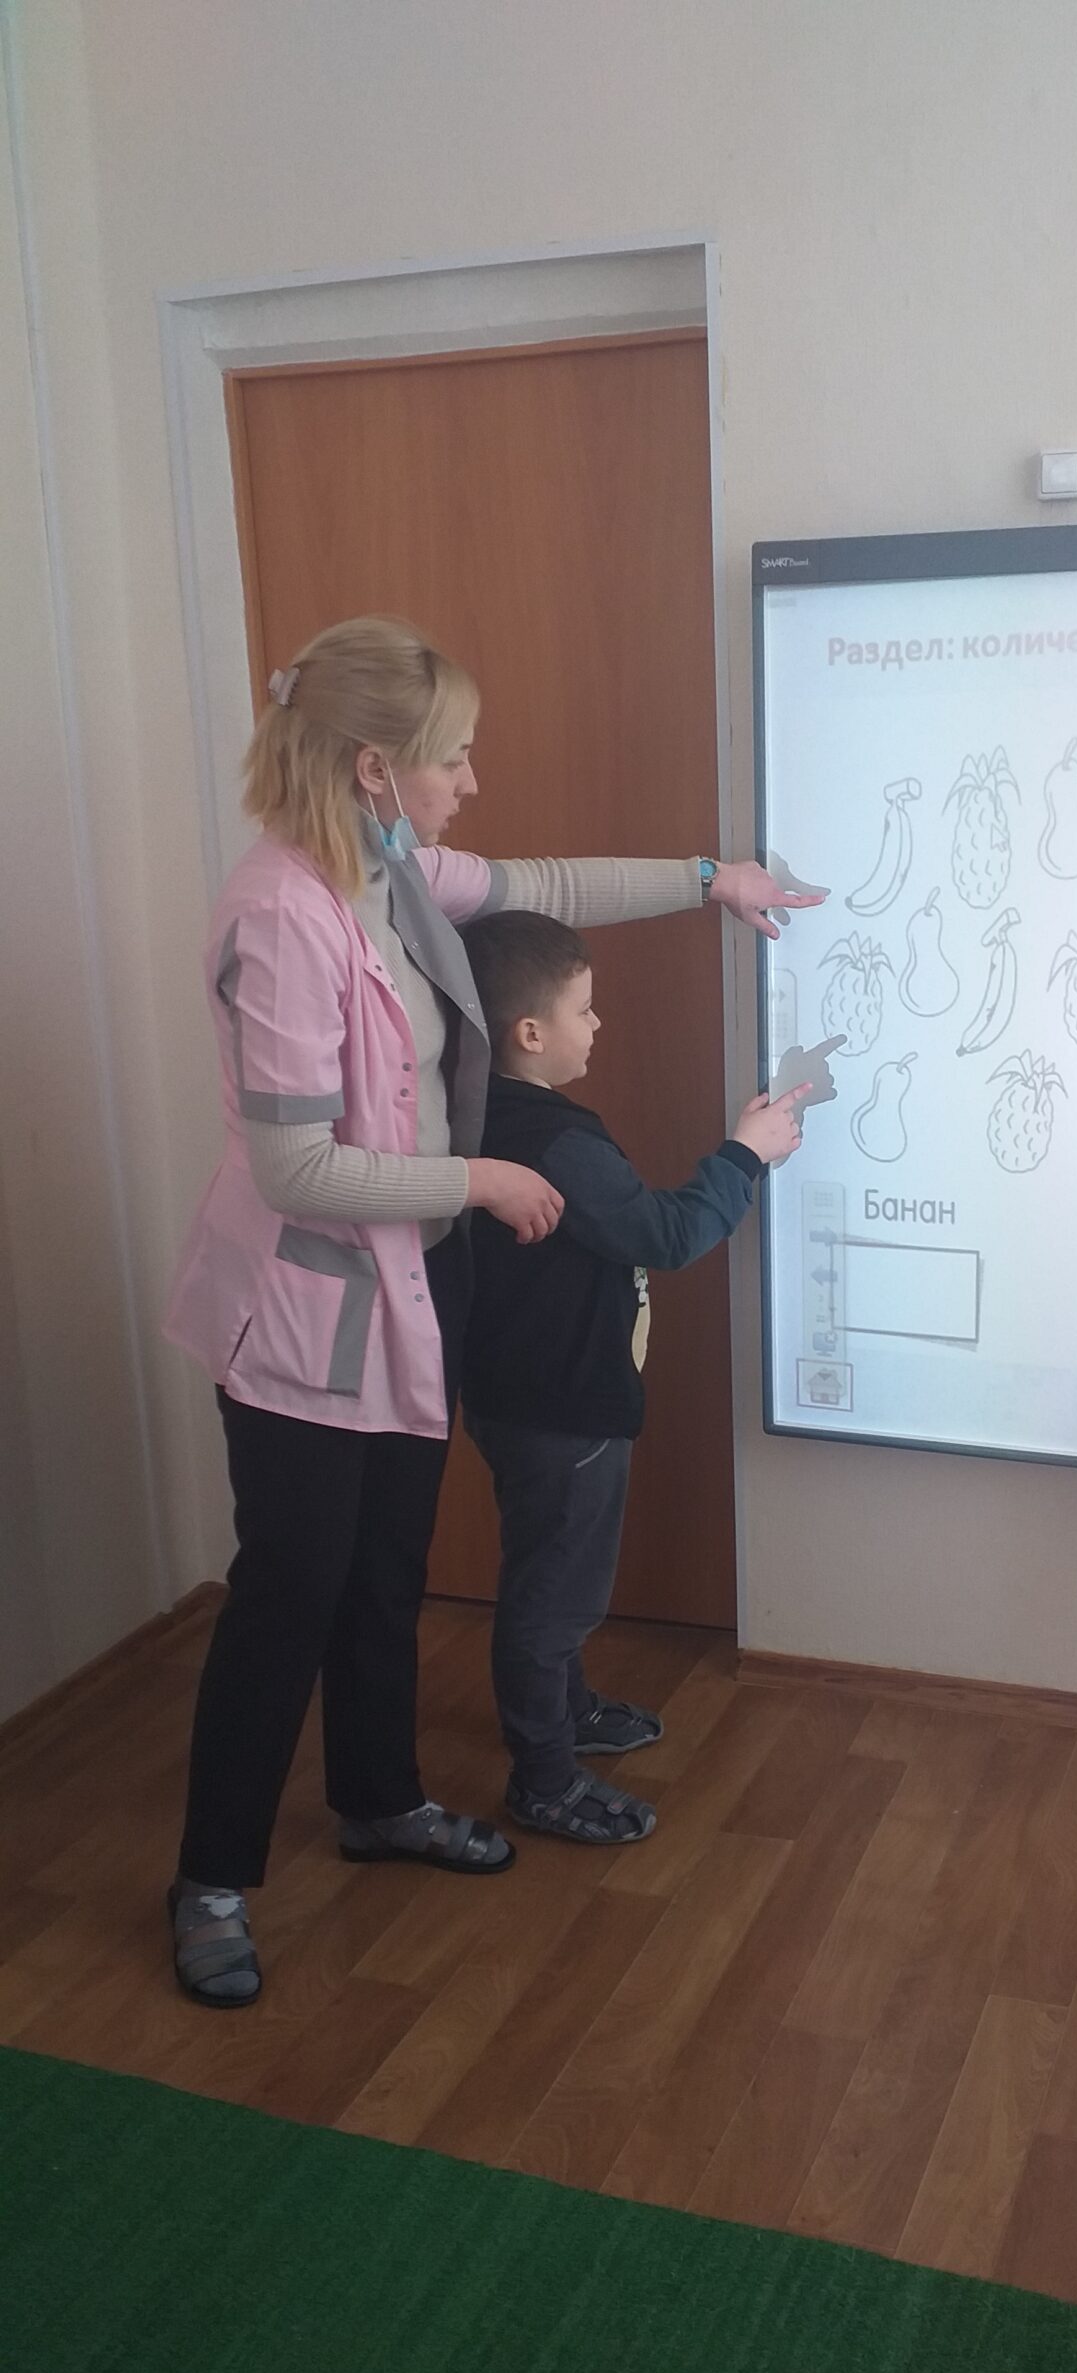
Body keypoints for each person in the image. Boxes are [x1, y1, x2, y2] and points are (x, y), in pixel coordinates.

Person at [163, 615, 822, 2006]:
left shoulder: (389, 869)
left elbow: (542, 880)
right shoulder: (281, 915)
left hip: (409, 1292)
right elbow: (295, 1169)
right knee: (290, 1595)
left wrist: (713, 880)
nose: (470, 780)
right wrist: (481, 1177)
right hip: (304, 1318)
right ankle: (211, 1880)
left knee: (388, 1573)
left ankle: (380, 1800)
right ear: (372, 768)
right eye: (451, 757)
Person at [459, 911, 807, 1845]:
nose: (598, 1023)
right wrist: (746, 1154)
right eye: (584, 1009)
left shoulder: (476, 1111)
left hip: (512, 1396)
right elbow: (665, 1233)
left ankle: (566, 1710)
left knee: (549, 1569)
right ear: (530, 1033)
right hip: (564, 1409)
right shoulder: (555, 1141)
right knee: (554, 1595)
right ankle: (543, 1780)